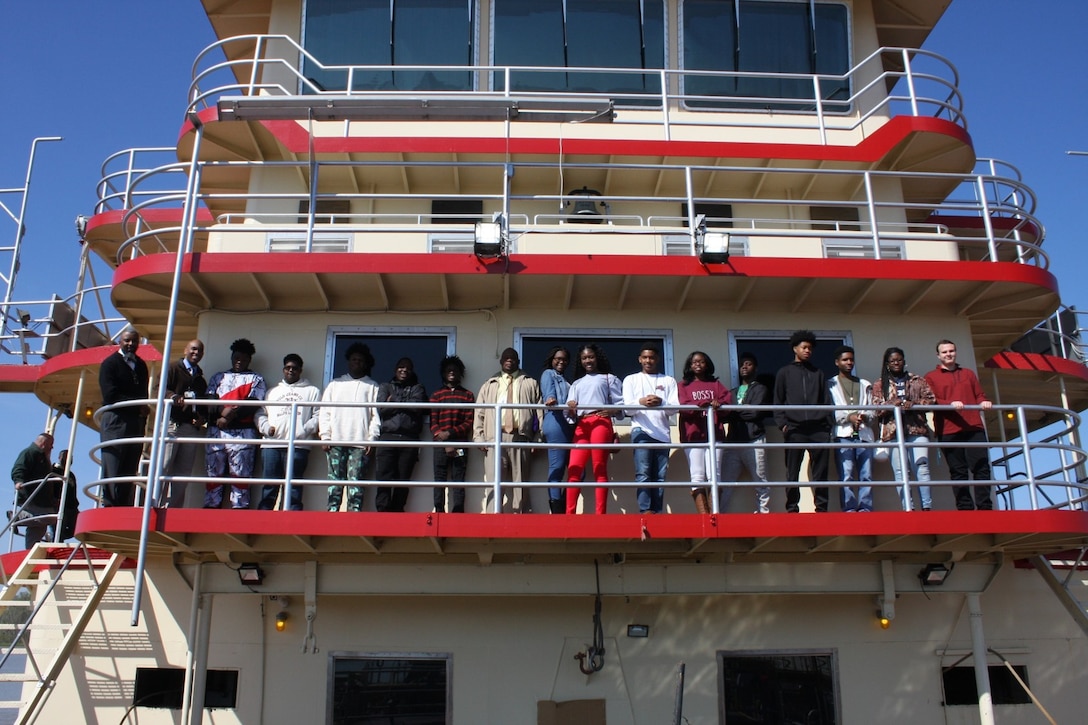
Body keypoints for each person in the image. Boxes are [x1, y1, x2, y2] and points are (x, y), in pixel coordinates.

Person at [924, 339, 994, 511]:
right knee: (958, 471)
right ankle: (965, 508)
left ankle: (985, 507)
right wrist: (949, 403)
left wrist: (984, 402)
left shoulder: (968, 373)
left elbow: (979, 394)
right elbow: (930, 400)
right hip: (948, 429)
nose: (948, 354)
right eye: (945, 352)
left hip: (973, 427)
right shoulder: (931, 377)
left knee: (981, 468)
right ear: (938, 355)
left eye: (951, 351)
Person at [473, 348, 541, 513]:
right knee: (494, 480)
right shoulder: (490, 383)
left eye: (513, 358)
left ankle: (520, 516)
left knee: (521, 482)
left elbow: (539, 413)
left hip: (521, 437)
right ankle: (493, 516)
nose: (509, 360)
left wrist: (538, 438)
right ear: (501, 361)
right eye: (506, 357)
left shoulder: (530, 382)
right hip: (495, 437)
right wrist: (479, 437)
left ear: (518, 361)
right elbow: (479, 412)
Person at [871, 347, 937, 511]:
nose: (896, 363)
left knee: (921, 467)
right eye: (892, 360)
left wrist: (914, 405)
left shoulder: (916, 380)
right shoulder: (880, 384)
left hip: (917, 430)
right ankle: (909, 507)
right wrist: (891, 404)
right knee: (901, 473)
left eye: (899, 359)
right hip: (893, 433)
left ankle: (927, 507)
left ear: (904, 361)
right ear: (887, 364)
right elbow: (875, 408)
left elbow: (931, 400)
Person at [773, 330, 832, 513]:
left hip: (818, 429)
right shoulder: (784, 372)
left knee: (821, 472)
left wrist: (826, 424)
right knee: (792, 472)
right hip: (794, 429)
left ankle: (822, 508)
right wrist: (783, 424)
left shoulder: (818, 373)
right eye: (804, 347)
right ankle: (792, 508)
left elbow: (825, 400)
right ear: (795, 349)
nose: (808, 351)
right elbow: (778, 400)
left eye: (810, 348)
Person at [204, 338, 266, 509]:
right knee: (213, 474)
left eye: (244, 359)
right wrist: (222, 414)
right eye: (237, 358)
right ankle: (211, 507)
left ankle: (239, 509)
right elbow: (209, 399)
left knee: (240, 476)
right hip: (216, 434)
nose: (240, 362)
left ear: (249, 360)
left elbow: (252, 404)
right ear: (232, 357)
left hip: (242, 436)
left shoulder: (256, 379)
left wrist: (228, 416)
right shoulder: (218, 377)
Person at [319, 342, 381, 512]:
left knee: (356, 484)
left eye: (361, 360)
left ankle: (354, 515)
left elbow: (375, 416)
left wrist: (372, 439)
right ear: (348, 361)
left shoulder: (373, 386)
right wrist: (325, 436)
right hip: (335, 442)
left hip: (360, 444)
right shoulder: (335, 384)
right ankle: (332, 513)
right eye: (354, 359)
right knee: (335, 483)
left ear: (366, 363)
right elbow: (325, 412)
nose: (357, 363)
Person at [256, 353, 320, 511]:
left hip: (298, 445)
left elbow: (319, 415)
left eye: (295, 368)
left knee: (294, 485)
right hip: (271, 445)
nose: (291, 371)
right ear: (283, 369)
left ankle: (293, 517)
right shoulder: (272, 392)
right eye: (288, 368)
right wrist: (266, 428)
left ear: (300, 370)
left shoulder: (312, 391)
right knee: (269, 485)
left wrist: (303, 430)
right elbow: (260, 414)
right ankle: (264, 517)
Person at [565, 344, 624, 514]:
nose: (588, 361)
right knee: (574, 468)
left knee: (599, 467)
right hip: (582, 424)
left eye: (590, 357)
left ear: (597, 358)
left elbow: (621, 406)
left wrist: (611, 410)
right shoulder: (576, 383)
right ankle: (570, 514)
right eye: (584, 358)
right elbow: (570, 415)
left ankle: (600, 514)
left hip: (601, 421)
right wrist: (570, 408)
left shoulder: (609, 378)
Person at [623, 343, 678, 514]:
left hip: (662, 434)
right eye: (645, 357)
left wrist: (661, 403)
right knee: (644, 473)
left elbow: (675, 408)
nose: (648, 360)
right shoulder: (631, 379)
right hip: (641, 431)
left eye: (652, 357)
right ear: (640, 359)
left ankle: (657, 511)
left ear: (658, 359)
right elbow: (626, 409)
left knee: (660, 477)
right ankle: (645, 510)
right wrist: (641, 402)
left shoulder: (668, 380)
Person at [98, 329, 150, 507]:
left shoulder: (141, 366)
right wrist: (139, 404)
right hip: (116, 420)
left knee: (130, 464)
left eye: (134, 341)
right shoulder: (110, 364)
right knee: (113, 462)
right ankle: (110, 505)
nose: (131, 344)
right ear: (120, 341)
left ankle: (123, 505)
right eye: (127, 340)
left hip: (135, 421)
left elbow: (143, 392)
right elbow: (109, 395)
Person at [678, 351, 731, 514]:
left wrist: (718, 404)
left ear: (707, 364)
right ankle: (704, 515)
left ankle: (714, 513)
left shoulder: (716, 384)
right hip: (692, 436)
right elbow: (683, 405)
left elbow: (727, 401)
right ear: (689, 365)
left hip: (714, 435)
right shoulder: (683, 385)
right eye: (694, 362)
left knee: (714, 474)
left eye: (701, 362)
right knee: (697, 475)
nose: (698, 364)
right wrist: (701, 403)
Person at [721, 352, 771, 514]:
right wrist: (736, 413)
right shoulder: (732, 392)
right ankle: (720, 514)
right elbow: (724, 415)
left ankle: (763, 514)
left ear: (755, 368)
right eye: (742, 364)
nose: (744, 366)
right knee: (724, 482)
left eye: (748, 364)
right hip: (733, 442)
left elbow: (756, 413)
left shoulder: (760, 388)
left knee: (760, 479)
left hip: (754, 439)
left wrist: (734, 413)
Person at [375, 357, 427, 512]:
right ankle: (383, 511)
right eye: (401, 367)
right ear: (395, 369)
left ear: (411, 371)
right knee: (384, 477)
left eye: (408, 368)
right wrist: (406, 403)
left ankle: (398, 510)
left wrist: (394, 401)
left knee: (403, 478)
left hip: (409, 438)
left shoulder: (418, 388)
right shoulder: (385, 386)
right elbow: (381, 408)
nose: (404, 370)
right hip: (388, 437)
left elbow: (418, 407)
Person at [827, 345, 874, 513]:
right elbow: (829, 412)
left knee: (866, 474)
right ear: (837, 362)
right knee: (846, 474)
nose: (849, 363)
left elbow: (872, 409)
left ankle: (865, 509)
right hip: (843, 435)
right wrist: (848, 417)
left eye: (851, 360)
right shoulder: (830, 385)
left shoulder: (865, 384)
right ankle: (849, 508)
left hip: (864, 435)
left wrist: (865, 417)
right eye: (845, 360)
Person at [161, 339, 207, 508]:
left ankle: (174, 508)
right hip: (172, 424)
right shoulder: (172, 368)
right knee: (163, 466)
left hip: (190, 428)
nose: (196, 353)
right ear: (185, 349)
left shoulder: (200, 380)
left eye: (200, 351)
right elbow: (160, 389)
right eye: (193, 349)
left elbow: (202, 404)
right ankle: (154, 506)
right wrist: (173, 397)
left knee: (183, 471)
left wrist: (201, 418)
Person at [429, 356, 474, 513]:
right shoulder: (436, 396)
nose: (452, 372)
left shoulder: (468, 396)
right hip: (440, 445)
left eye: (455, 370)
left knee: (458, 479)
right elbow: (433, 422)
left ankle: (458, 512)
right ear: (443, 373)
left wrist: (450, 434)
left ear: (460, 373)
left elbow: (469, 422)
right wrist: (442, 437)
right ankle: (439, 510)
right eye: (448, 370)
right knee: (439, 478)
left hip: (460, 443)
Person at [540, 346, 574, 514]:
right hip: (555, 421)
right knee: (558, 467)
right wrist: (550, 399)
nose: (561, 362)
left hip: (568, 423)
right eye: (557, 358)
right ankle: (557, 509)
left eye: (564, 359)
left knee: (576, 471)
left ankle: (564, 505)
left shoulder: (566, 379)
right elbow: (549, 394)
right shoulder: (549, 374)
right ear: (552, 359)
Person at [11, 433, 55, 548]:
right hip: (32, 496)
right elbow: (19, 468)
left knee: (38, 528)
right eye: (51, 444)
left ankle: (30, 551)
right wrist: (18, 481)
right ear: (44, 443)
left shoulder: (42, 457)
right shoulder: (30, 453)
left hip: (41, 499)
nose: (52, 447)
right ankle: (17, 517)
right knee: (50, 517)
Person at [51, 449, 80, 541]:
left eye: (70, 458)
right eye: (66, 457)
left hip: (71, 507)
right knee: (59, 530)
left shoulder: (71, 475)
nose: (69, 460)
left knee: (78, 527)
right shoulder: (53, 471)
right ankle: (55, 546)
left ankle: (54, 539)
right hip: (58, 506)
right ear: (60, 457)